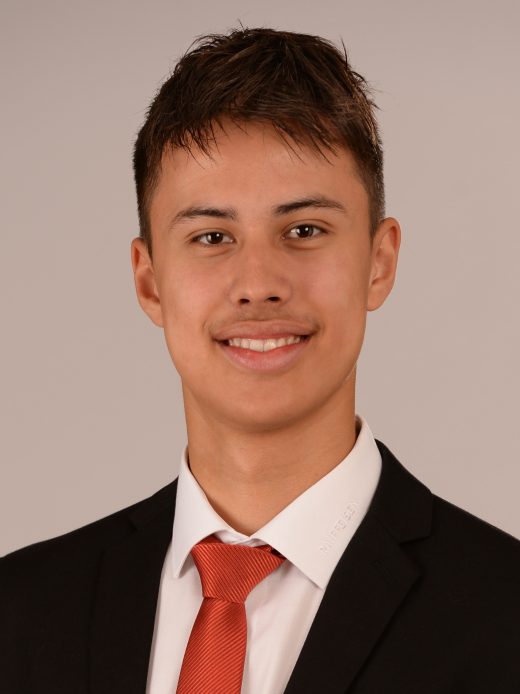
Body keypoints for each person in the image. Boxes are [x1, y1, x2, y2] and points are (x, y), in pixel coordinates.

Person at [1, 27, 519, 694]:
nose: (258, 283)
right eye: (211, 236)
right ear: (149, 281)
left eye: (304, 230)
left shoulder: (505, 615)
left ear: (379, 262)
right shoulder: (20, 612)